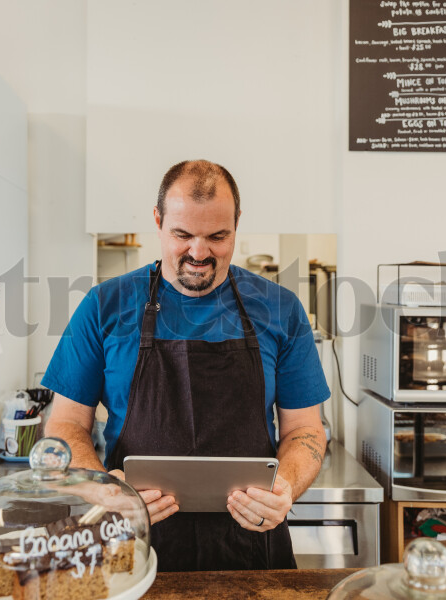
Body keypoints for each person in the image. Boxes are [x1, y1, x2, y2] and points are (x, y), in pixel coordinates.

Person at [41, 159, 330, 572]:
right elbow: (65, 424)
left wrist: (285, 487)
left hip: (252, 549)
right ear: (157, 221)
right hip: (134, 543)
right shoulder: (104, 306)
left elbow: (305, 429)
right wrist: (102, 489)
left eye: (217, 236)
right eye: (182, 235)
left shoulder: (281, 309)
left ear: (237, 224)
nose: (199, 253)